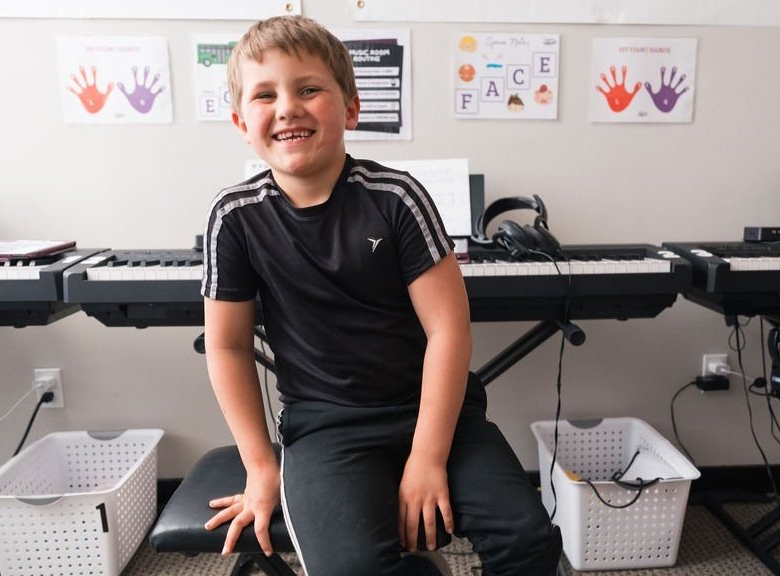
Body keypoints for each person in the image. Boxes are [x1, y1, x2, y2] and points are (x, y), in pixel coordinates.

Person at [200, 15, 562, 576]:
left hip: (435, 413)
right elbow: (226, 347)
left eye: (309, 88)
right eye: (265, 95)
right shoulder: (235, 217)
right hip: (326, 426)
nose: (288, 107)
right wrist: (260, 464)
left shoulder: (397, 197)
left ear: (349, 108)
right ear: (240, 122)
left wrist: (427, 456)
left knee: (529, 539)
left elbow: (449, 331)